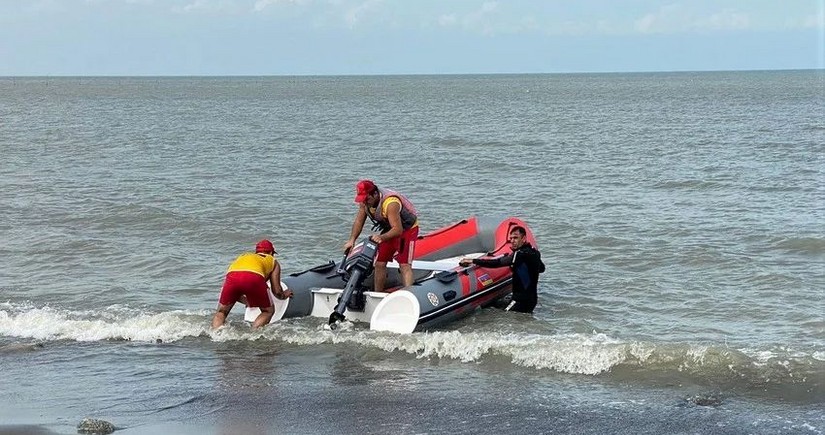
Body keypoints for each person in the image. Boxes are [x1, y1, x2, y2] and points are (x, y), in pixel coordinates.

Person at [343, 179, 419, 293]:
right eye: (362, 199)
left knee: (404, 265)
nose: (365, 202)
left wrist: (381, 238)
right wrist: (352, 240)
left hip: (406, 229)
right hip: (389, 228)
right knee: (379, 263)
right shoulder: (365, 203)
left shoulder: (390, 203)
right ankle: (377, 294)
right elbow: (359, 221)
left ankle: (410, 294)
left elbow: (398, 230)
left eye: (367, 199)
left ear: (374, 194)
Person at [459, 226, 545, 313]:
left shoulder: (519, 254)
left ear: (524, 238)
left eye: (515, 238)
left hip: (519, 301)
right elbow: (542, 268)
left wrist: (473, 260)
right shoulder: (534, 252)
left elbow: (497, 263)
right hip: (532, 300)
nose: (512, 241)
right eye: (511, 238)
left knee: (505, 316)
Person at [211, 239, 293, 329]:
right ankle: (253, 334)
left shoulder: (243, 256)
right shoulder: (272, 260)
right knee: (268, 311)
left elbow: (236, 290)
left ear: (256, 252)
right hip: (254, 278)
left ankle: (215, 334)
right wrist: (285, 294)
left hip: (231, 277)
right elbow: (277, 291)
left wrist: (248, 301)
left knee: (221, 312)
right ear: (270, 252)